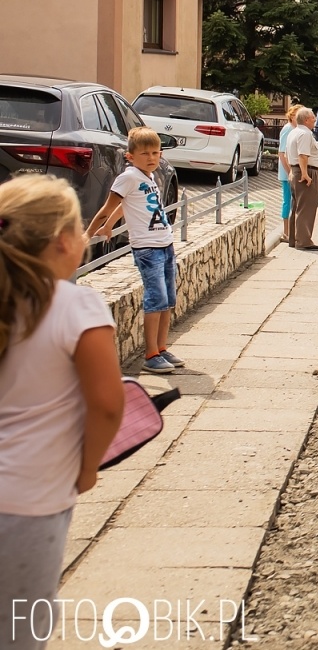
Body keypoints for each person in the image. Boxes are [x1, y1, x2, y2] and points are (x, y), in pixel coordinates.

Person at [0, 175, 124, 650]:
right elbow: (108, 403)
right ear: (64, 241)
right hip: (28, 502)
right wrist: (87, 467)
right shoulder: (75, 305)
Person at [86, 128, 181, 374]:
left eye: (155, 153)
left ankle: (161, 348)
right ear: (130, 156)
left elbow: (125, 206)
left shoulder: (148, 176)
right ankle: (150, 354)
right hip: (148, 248)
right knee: (156, 299)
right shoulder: (128, 177)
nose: (151, 158)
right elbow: (109, 206)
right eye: (145, 153)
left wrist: (110, 226)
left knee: (168, 299)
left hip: (165, 243)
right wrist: (90, 232)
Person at [286, 107, 318, 251]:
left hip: (296, 171)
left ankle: (294, 239)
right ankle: (304, 241)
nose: (315, 119)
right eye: (313, 117)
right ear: (306, 120)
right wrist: (305, 174)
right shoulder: (305, 134)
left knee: (297, 206)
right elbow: (303, 155)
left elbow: (290, 154)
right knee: (306, 208)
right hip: (306, 172)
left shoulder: (293, 132)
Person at [277, 104, 302, 243]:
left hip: (290, 171)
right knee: (287, 200)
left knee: (292, 201)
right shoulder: (288, 129)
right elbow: (282, 153)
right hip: (287, 172)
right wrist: (289, 171)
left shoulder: (294, 129)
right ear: (292, 116)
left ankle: (291, 231)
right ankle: (286, 232)